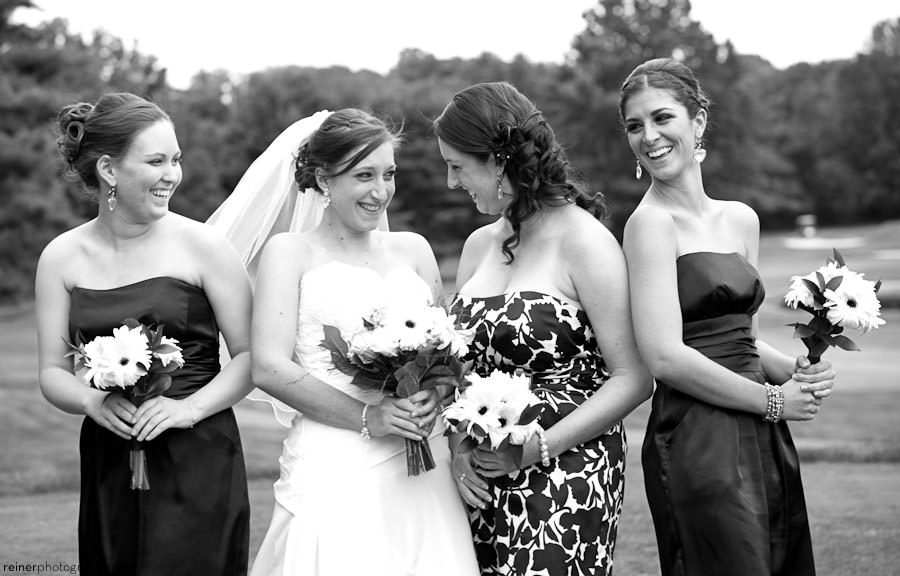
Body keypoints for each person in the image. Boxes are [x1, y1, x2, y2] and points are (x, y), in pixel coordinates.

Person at [222, 108, 479, 576]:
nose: (380, 191)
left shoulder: (415, 249)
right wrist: (370, 416)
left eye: (389, 174)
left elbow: (449, 352)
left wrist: (434, 393)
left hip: (423, 460)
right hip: (335, 461)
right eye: (364, 175)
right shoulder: (290, 252)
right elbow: (270, 367)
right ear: (324, 179)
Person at [618, 58, 836, 576]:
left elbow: (744, 340)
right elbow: (666, 356)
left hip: (761, 429)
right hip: (697, 435)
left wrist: (797, 371)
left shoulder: (741, 219)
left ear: (698, 122)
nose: (648, 136)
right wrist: (775, 400)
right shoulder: (648, 226)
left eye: (662, 118)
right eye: (634, 125)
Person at [433, 81, 653, 576]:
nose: (451, 182)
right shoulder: (477, 246)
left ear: (497, 159)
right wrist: (457, 449)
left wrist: (538, 448)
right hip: (482, 475)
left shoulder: (586, 242)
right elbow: (456, 370)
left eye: (456, 166)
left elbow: (633, 378)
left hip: (567, 470)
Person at [35, 93, 252, 575]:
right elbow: (52, 370)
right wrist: (92, 401)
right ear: (109, 170)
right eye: (156, 161)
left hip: (200, 453)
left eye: (175, 159)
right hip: (109, 456)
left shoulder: (205, 246)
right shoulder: (61, 258)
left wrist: (187, 409)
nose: (172, 174)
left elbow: (251, 357)